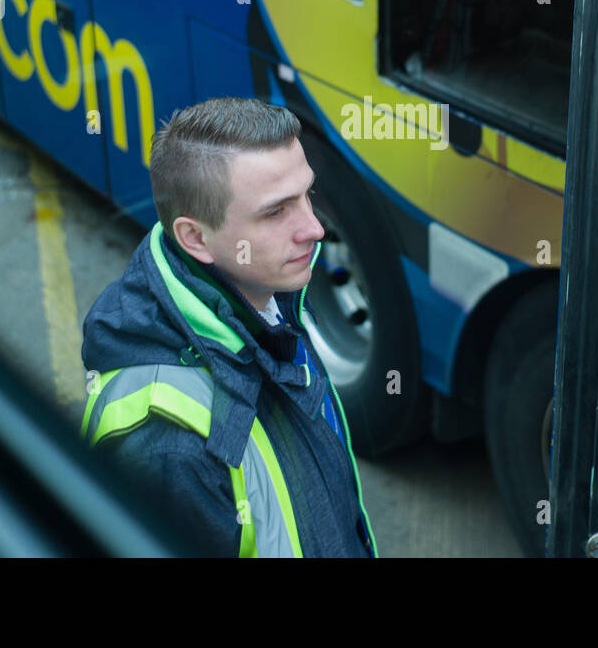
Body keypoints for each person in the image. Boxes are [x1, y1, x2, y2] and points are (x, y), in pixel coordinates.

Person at [80, 97, 378, 557]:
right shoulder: (167, 448)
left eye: (307, 196)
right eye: (276, 212)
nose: (315, 229)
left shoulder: (273, 296)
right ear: (195, 238)